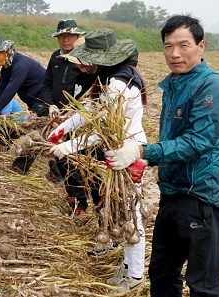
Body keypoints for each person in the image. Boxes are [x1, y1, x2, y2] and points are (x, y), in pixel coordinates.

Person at [105, 15, 219, 296]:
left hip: (202, 195)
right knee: (162, 273)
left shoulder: (211, 87)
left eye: (183, 45)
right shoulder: (175, 84)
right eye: (168, 46)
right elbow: (174, 140)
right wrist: (144, 159)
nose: (175, 54)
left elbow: (198, 141)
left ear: (201, 46)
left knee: (202, 284)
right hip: (173, 191)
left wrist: (143, 151)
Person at [48, 28, 147, 291]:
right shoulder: (107, 77)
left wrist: (68, 146)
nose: (83, 63)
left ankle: (135, 275)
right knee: (118, 209)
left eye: (87, 58)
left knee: (131, 216)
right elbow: (90, 111)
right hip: (114, 151)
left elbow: (102, 127)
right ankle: (127, 266)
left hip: (129, 154)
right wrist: (63, 128)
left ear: (99, 58)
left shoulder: (118, 83)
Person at [42, 19, 94, 218]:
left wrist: (72, 111)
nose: (65, 40)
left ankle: (81, 201)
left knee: (74, 159)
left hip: (76, 118)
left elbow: (89, 92)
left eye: (70, 36)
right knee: (60, 158)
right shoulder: (56, 57)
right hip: (56, 115)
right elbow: (47, 84)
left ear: (77, 37)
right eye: (62, 36)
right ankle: (72, 195)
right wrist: (51, 106)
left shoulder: (84, 61)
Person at [0, 35, 53, 175]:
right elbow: (1, 88)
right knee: (45, 134)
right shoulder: (7, 68)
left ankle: (21, 166)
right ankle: (55, 171)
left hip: (45, 101)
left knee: (38, 133)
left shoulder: (21, 65)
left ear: (8, 50)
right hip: (34, 103)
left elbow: (10, 90)